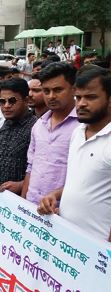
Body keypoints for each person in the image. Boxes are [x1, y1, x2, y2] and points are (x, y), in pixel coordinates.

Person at [38, 66, 111, 241]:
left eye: (91, 97)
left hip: (99, 250)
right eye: (78, 97)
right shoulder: (78, 132)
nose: (81, 103)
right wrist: (54, 195)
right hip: (69, 241)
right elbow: (82, 183)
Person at [21, 62, 80, 204]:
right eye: (46, 91)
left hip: (62, 213)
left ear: (74, 89)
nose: (51, 96)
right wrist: (22, 204)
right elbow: (31, 167)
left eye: (58, 90)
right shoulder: (39, 125)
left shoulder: (84, 126)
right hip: (32, 207)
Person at [0, 78, 37, 194]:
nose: (6, 106)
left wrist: (22, 185)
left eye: (12, 101)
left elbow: (41, 169)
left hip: (24, 199)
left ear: (26, 101)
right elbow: (8, 157)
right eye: (2, 101)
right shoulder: (6, 124)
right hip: (2, 196)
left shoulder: (35, 127)